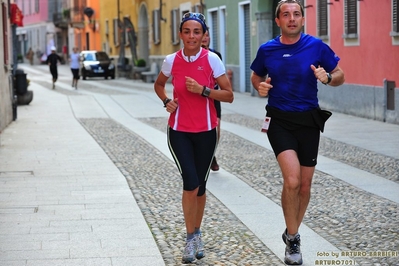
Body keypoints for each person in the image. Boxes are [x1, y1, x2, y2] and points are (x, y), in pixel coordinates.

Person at [250, 0, 345, 265]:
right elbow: (256, 76)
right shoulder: (267, 49)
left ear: (303, 19)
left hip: (308, 122)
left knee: (304, 185)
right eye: (285, 15)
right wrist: (260, 86)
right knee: (292, 181)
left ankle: (291, 229)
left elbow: (340, 74)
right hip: (279, 121)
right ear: (278, 21)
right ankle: (293, 239)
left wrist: (327, 78)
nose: (291, 18)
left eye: (296, 14)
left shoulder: (316, 46)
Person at [154, 12, 234, 263]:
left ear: (203, 36)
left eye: (196, 32)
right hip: (178, 132)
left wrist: (204, 91)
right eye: (187, 31)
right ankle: (190, 238)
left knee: (200, 186)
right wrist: (167, 100)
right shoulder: (170, 60)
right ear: (180, 34)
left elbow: (229, 95)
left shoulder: (212, 60)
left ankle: (197, 233)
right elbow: (158, 84)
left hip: (207, 132)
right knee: (190, 183)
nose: (191, 36)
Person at [201, 30, 222, 171]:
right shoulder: (190, 56)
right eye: (202, 35)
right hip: (198, 98)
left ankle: (211, 154)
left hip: (213, 96)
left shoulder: (216, 55)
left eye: (207, 35)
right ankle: (204, 156)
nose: (204, 38)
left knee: (216, 129)